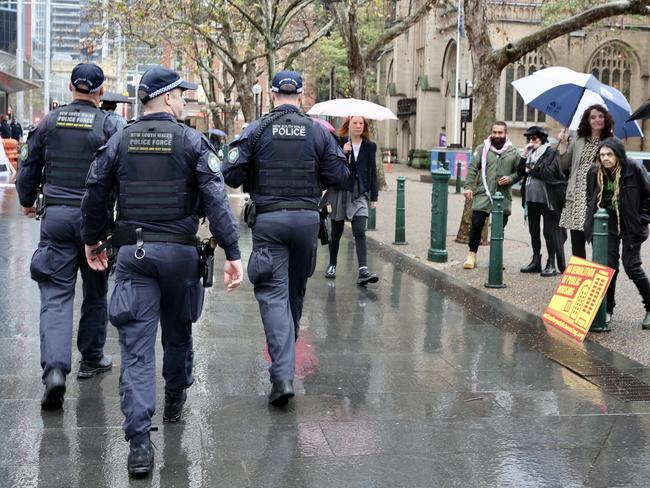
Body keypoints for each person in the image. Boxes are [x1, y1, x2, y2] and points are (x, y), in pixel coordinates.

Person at [81, 66, 243, 477]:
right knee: (178, 329)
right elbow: (216, 198)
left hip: (134, 255)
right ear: (167, 98)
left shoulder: (119, 140)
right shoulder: (191, 141)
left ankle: (138, 444)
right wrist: (233, 251)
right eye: (181, 94)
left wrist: (93, 239)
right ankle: (174, 396)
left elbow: (95, 192)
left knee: (135, 350)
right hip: (180, 256)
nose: (185, 100)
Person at [222, 70, 349, 407]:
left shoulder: (255, 130)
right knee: (294, 293)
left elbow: (229, 174)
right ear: (301, 94)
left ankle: (282, 375)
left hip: (269, 222)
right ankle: (284, 364)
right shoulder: (318, 132)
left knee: (273, 295)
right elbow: (340, 175)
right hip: (307, 221)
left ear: (273, 93)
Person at [16, 63, 119, 411]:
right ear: (100, 93)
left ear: (71, 87)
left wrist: (27, 201)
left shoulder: (48, 122)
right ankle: (91, 358)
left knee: (56, 297)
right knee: (96, 291)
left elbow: (28, 169)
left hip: (57, 217)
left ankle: (56, 371)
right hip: (96, 222)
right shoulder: (109, 125)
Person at [584, 138, 650, 331]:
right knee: (607, 268)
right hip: (607, 225)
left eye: (609, 154)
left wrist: (642, 218)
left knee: (632, 266)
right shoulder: (594, 171)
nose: (605, 158)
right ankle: (607, 309)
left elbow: (648, 194)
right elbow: (590, 197)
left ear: (618, 155)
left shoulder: (633, 169)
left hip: (630, 224)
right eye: (602, 155)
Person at [324, 116, 379, 285]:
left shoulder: (370, 146)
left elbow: (372, 171)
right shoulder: (338, 143)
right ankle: (332, 263)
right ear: (348, 125)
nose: (358, 126)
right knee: (336, 231)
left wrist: (374, 196)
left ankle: (363, 270)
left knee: (360, 230)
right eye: (355, 123)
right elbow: (330, 165)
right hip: (340, 190)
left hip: (359, 192)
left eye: (361, 123)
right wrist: (343, 152)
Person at [558, 104, 614, 259]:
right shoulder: (579, 141)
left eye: (600, 116)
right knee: (577, 242)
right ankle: (581, 281)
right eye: (593, 117)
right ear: (587, 121)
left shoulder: (611, 141)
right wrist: (563, 143)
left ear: (606, 119)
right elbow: (564, 165)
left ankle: (600, 278)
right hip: (576, 196)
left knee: (599, 240)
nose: (597, 119)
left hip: (598, 197)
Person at [462, 121, 521, 269]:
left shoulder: (513, 152)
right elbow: (472, 168)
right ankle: (471, 255)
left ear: (506, 134)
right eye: (494, 132)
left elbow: (520, 172)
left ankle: (496, 258)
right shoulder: (482, 149)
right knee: (476, 224)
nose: (496, 136)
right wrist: (468, 186)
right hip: (483, 194)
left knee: (498, 228)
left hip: (503, 196)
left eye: (500, 133)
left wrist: (511, 179)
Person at [517, 126, 567, 276]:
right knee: (533, 230)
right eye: (530, 139)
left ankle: (551, 262)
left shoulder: (550, 152)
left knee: (548, 231)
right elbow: (520, 172)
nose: (532, 141)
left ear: (542, 139)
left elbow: (549, 173)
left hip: (547, 199)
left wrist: (531, 169)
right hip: (531, 198)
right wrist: (524, 155)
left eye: (535, 138)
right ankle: (536, 261)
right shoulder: (530, 154)